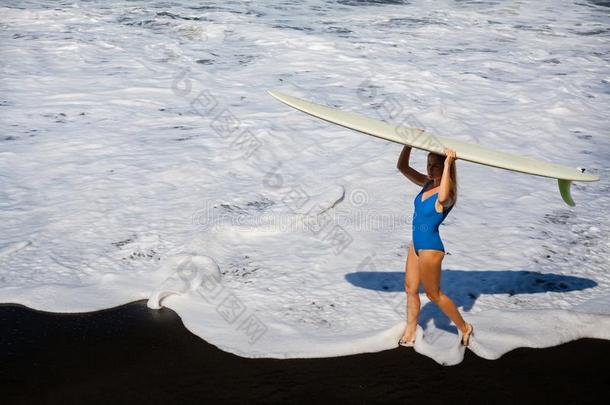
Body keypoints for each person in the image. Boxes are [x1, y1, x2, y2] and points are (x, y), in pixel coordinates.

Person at [396, 144, 473, 347]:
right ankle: (410, 330)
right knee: (410, 288)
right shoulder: (426, 183)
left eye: (435, 166)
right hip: (416, 245)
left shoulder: (448, 195)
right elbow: (402, 167)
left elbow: (442, 197)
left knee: (433, 294)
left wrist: (449, 163)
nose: (430, 169)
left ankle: (465, 327)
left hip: (431, 248)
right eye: (429, 164)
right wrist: (408, 145)